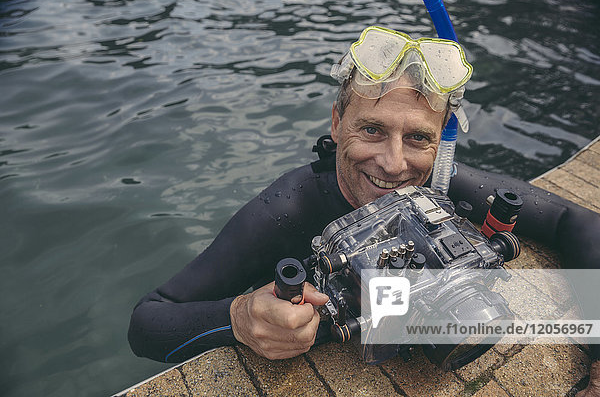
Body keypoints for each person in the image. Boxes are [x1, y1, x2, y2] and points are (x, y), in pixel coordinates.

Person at [128, 26, 600, 395]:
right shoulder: (288, 207)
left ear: (441, 143)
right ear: (337, 124)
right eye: (372, 130)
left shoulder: (440, 181)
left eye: (418, 138)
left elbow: (572, 220)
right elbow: (147, 323)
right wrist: (238, 317)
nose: (394, 164)